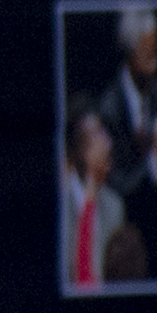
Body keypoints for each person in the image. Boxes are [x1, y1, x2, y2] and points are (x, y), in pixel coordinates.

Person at [96, 8, 157, 278]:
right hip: (122, 241)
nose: (155, 64)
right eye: (147, 54)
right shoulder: (109, 111)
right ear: (129, 54)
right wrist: (155, 158)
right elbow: (117, 186)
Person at [60, 110, 123, 293]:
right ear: (74, 150)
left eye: (102, 133)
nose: (103, 142)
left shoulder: (115, 205)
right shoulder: (61, 203)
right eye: (93, 136)